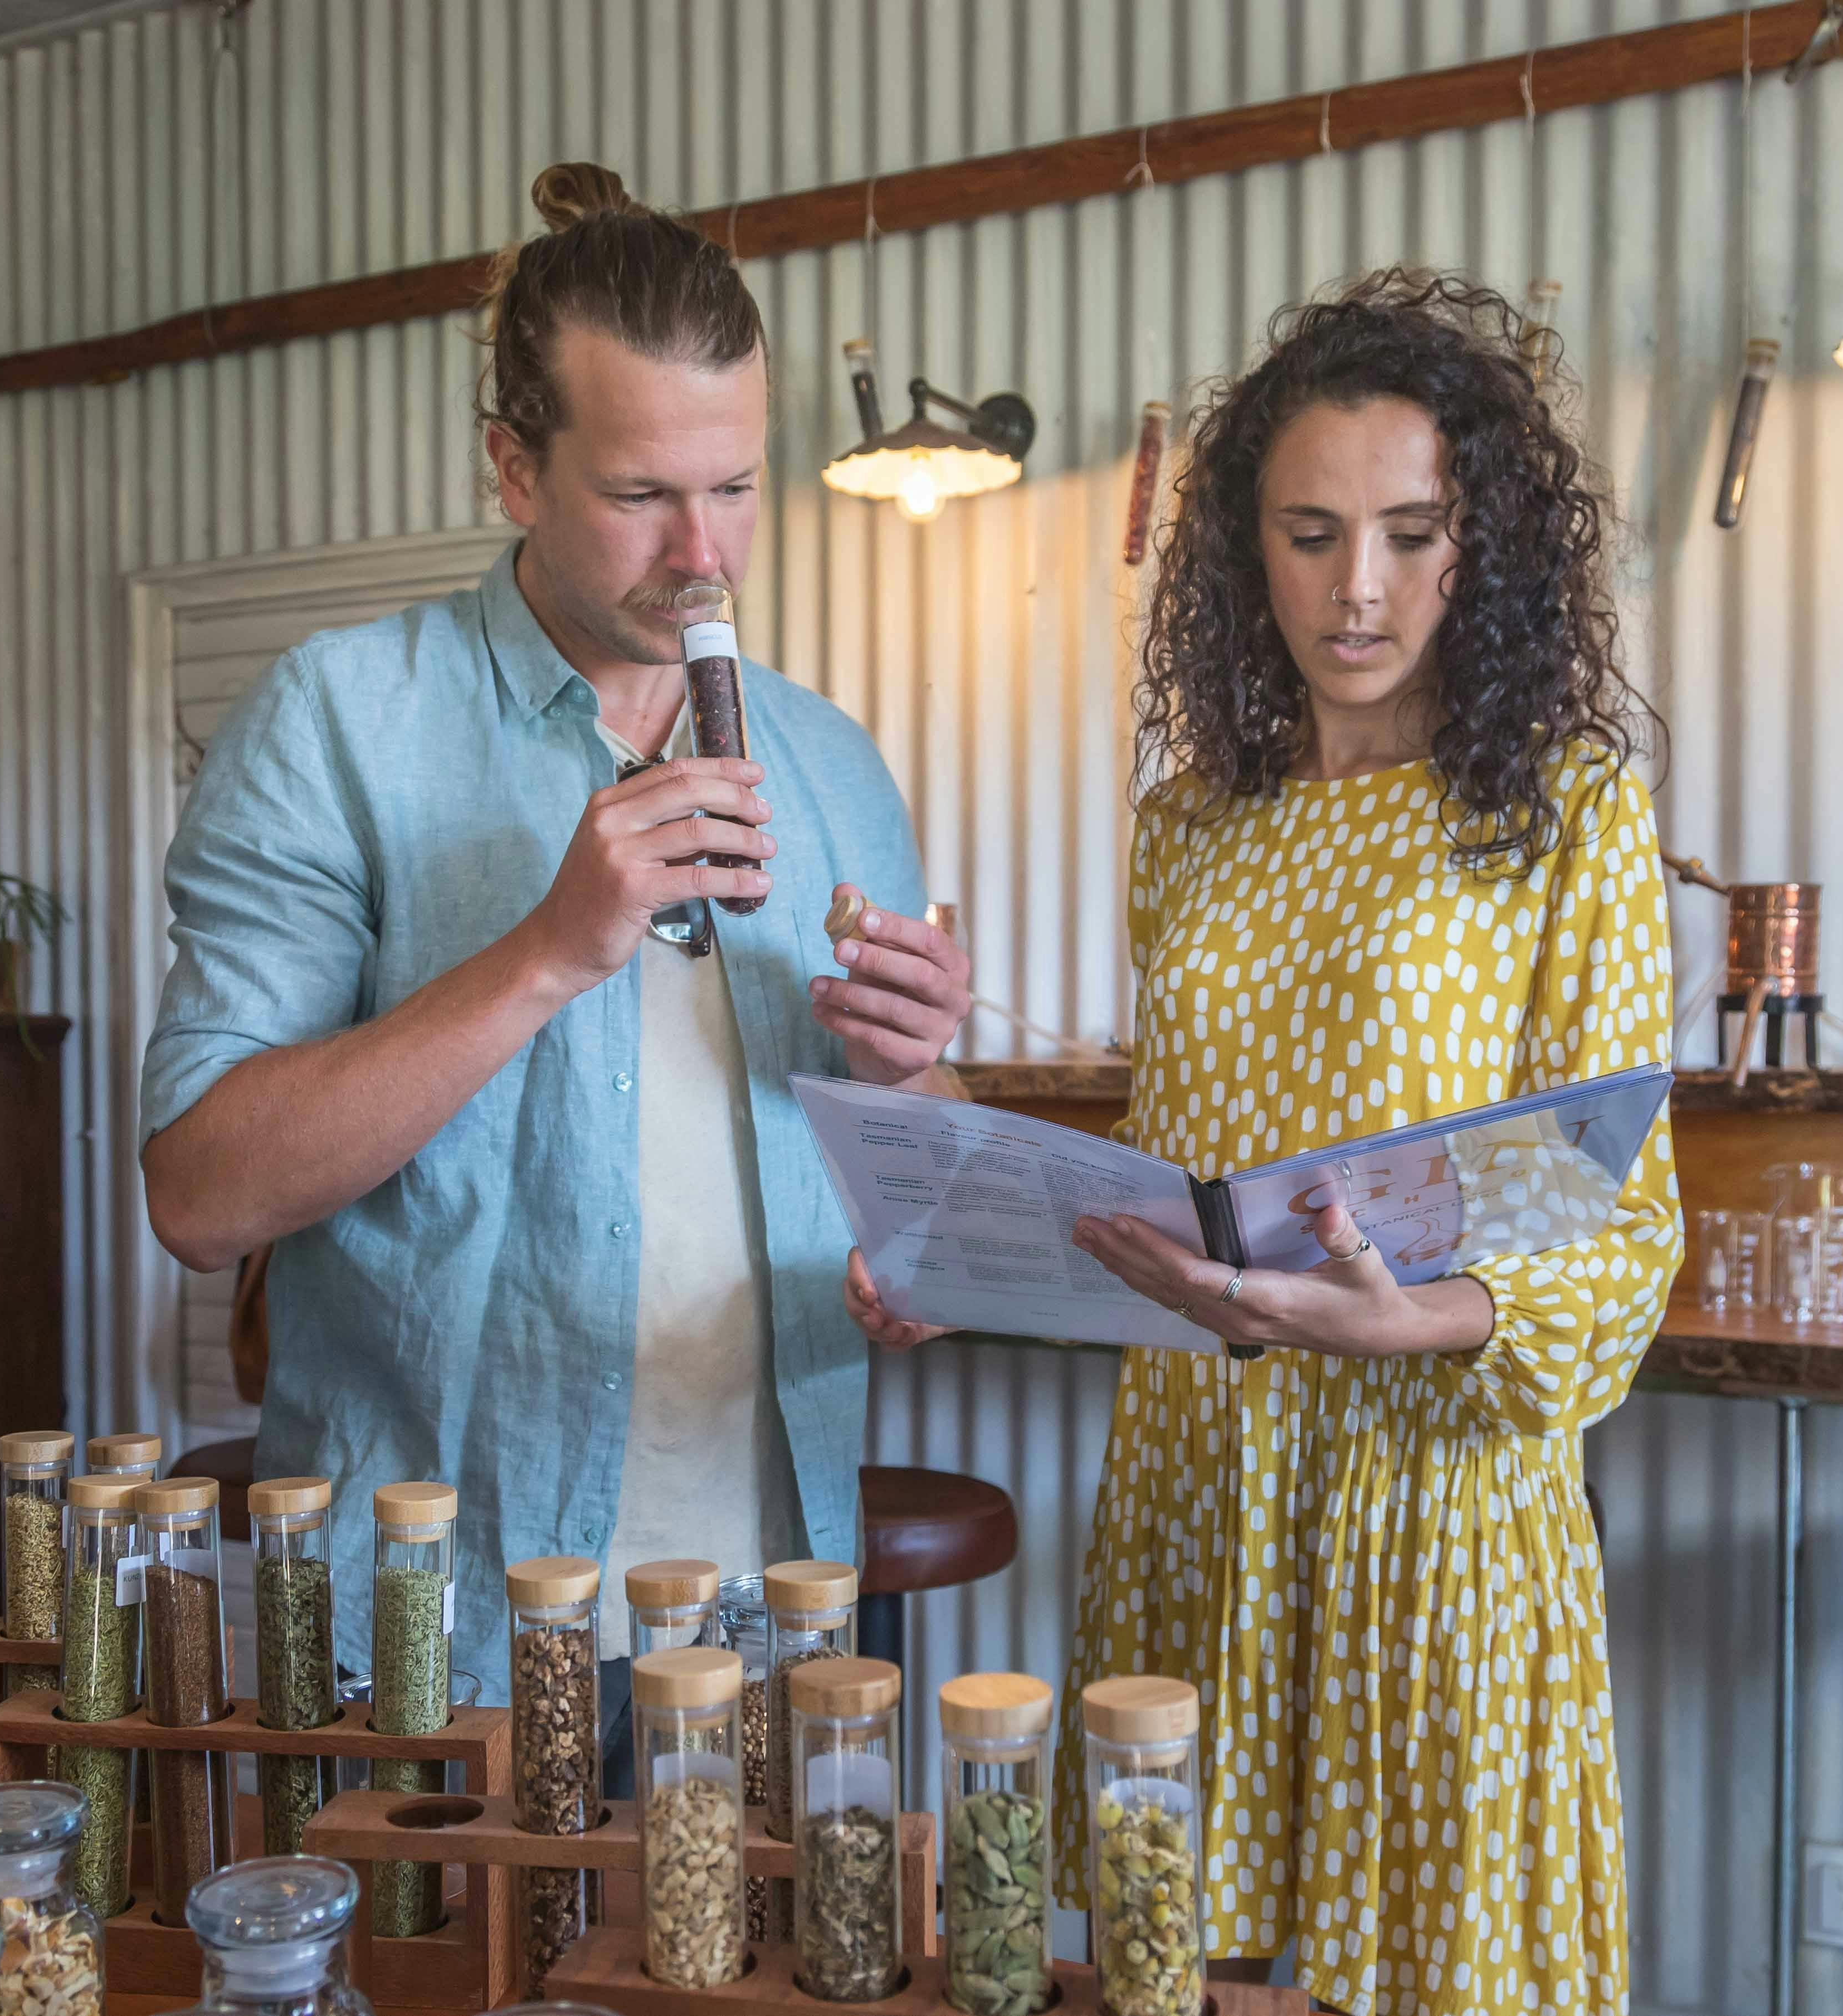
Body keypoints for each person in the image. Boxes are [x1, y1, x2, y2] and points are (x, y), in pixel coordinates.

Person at [849, 271, 1681, 2015]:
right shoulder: (1191, 828)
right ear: (1246, 550)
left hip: (1427, 1484)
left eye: (1406, 531)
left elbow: (1619, 1226)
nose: (1355, 588)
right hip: (1200, 1466)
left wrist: (1410, 1319)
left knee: (1430, 1971)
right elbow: (1176, 1159)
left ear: (1485, 548)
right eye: (1309, 534)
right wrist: (993, 1245)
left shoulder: (1564, 812)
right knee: (1180, 1965)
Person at [143, 162, 972, 1706]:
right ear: (512, 469)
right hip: (434, 1615)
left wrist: (924, 1131)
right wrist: (544, 953)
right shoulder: (339, 720)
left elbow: (915, 1171)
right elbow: (197, 1190)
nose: (704, 554)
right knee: (453, 1967)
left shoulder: (833, 760)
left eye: (733, 487)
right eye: (643, 495)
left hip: (770, 1607)